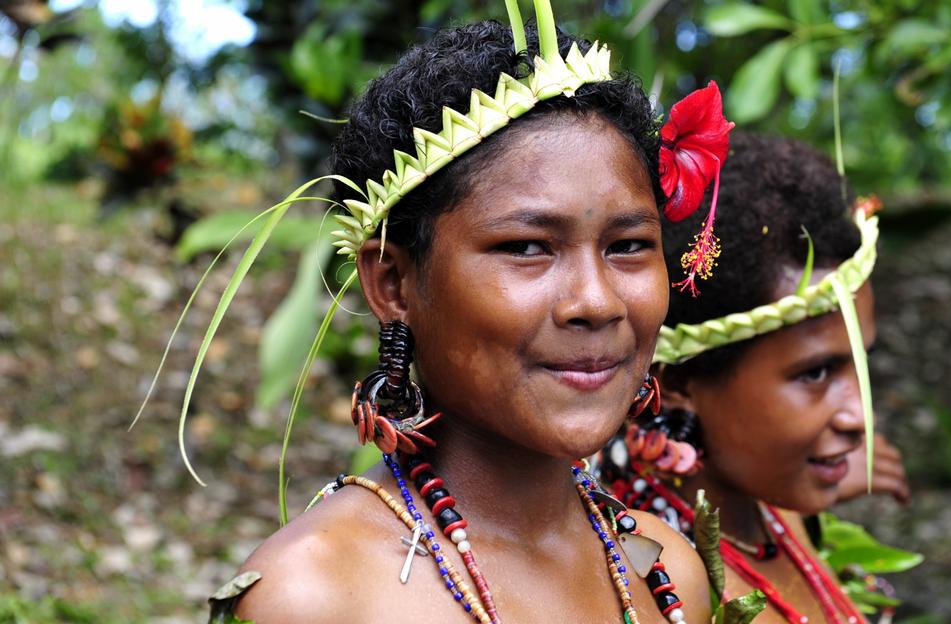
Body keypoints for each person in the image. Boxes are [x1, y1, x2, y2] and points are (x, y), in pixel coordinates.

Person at [152, 4, 743, 623]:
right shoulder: (314, 595)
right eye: (526, 248)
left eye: (628, 246)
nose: (596, 301)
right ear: (393, 283)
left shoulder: (666, 569)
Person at [602, 133, 909, 623]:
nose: (862, 417)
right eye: (815, 373)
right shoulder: (648, 583)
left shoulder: (774, 511)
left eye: (860, 362)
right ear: (677, 381)